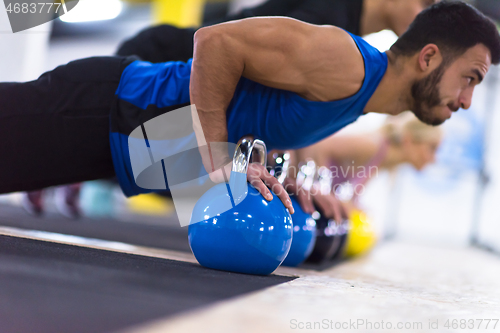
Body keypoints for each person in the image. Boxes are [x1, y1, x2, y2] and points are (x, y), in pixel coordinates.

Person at [0, 2, 498, 221]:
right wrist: (217, 157)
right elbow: (215, 42)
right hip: (107, 108)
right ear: (429, 56)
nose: (468, 100)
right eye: (470, 78)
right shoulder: (348, 62)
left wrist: (285, 183)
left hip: (119, 148)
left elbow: (256, 116)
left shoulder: (361, 100)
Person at [116, 0, 438, 63]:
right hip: (158, 61)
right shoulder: (330, 18)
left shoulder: (350, 36)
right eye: (426, 4)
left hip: (180, 84)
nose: (426, 19)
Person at [294, 112, 442, 215]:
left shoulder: (383, 160)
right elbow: (319, 146)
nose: (434, 158)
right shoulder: (372, 145)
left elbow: (349, 201)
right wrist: (322, 190)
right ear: (409, 140)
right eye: (432, 148)